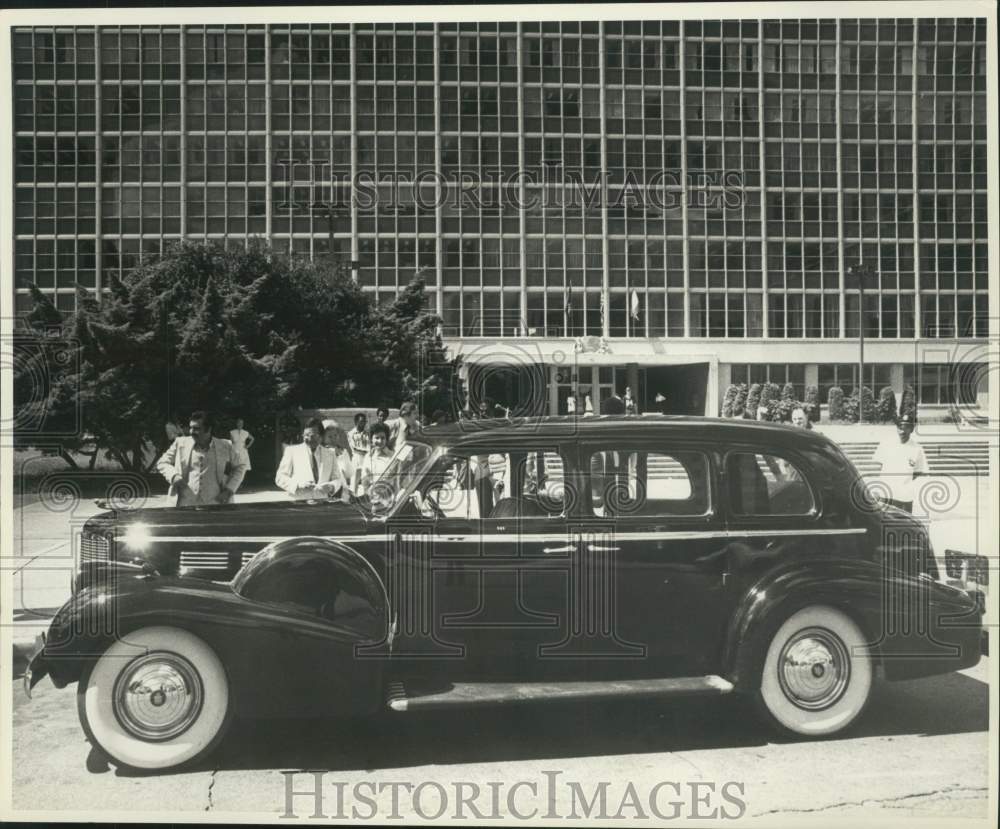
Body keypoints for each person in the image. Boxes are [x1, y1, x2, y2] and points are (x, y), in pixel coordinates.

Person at [156, 410, 247, 507]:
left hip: (216, 504)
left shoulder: (225, 446)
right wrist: (174, 476)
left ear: (208, 429)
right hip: (184, 504)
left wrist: (229, 490)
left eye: (196, 428)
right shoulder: (180, 443)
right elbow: (162, 462)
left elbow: (240, 466)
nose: (191, 432)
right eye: (190, 428)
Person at [275, 417, 349, 501]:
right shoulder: (292, 451)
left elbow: (337, 479)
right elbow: (280, 477)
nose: (307, 438)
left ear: (321, 437)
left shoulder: (330, 454)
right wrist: (297, 486)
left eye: (312, 436)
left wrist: (331, 486)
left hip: (322, 503)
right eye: (305, 435)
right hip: (299, 502)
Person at [872, 414, 927, 513]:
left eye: (906, 427)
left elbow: (918, 471)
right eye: (900, 427)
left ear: (912, 429)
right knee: (884, 525)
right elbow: (878, 468)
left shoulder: (917, 449)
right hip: (885, 495)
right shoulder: (886, 444)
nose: (902, 431)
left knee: (904, 526)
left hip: (904, 497)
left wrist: (904, 482)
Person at [357, 422, 395, 496]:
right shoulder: (368, 457)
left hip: (388, 495)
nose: (380, 441)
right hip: (370, 496)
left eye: (383, 438)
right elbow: (364, 481)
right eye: (377, 438)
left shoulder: (392, 456)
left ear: (386, 439)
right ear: (371, 439)